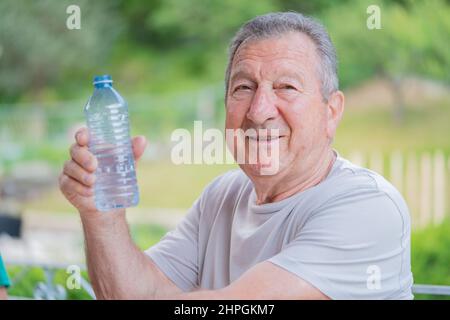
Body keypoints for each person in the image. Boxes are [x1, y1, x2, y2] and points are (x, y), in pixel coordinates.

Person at [59, 12, 413, 299]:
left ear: (331, 112)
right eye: (244, 87)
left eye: (286, 87)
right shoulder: (222, 196)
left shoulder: (367, 207)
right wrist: (101, 216)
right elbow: (137, 293)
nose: (259, 111)